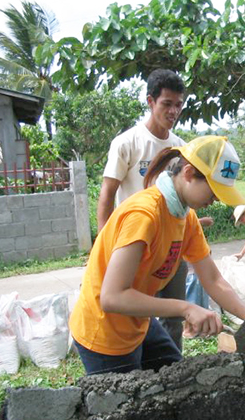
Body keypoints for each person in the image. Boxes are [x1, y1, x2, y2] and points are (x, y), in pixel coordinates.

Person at [70, 136, 245, 375]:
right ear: (188, 173)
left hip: (138, 321)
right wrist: (186, 308)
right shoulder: (144, 215)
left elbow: (213, 279)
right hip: (104, 331)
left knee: (177, 377)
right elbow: (112, 297)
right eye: (213, 190)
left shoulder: (186, 218)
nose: (216, 200)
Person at [96, 69, 189, 351]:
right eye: (167, 104)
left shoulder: (180, 148)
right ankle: (136, 363)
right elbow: (106, 196)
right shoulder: (127, 143)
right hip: (134, 245)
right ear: (150, 101)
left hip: (170, 247)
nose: (174, 111)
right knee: (135, 312)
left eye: (179, 104)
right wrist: (105, 246)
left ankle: (171, 363)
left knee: (174, 314)